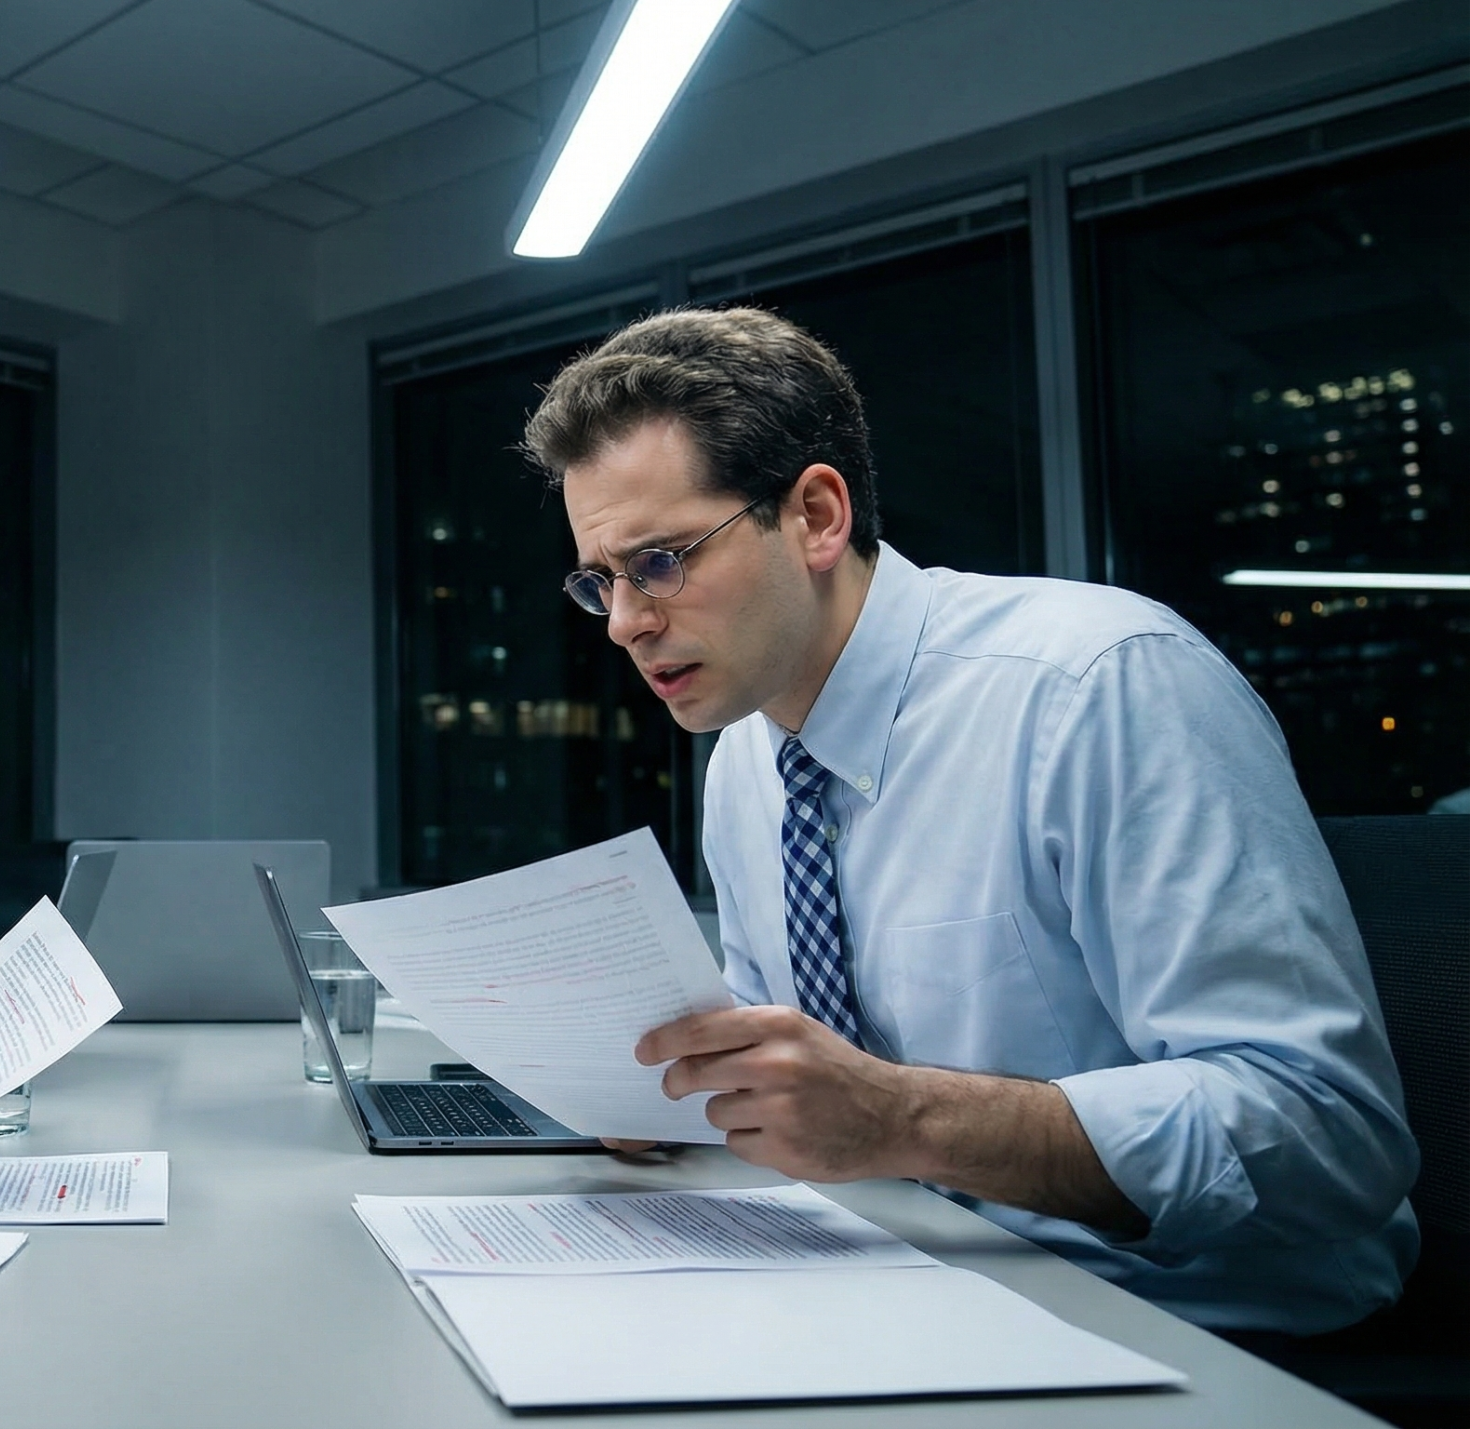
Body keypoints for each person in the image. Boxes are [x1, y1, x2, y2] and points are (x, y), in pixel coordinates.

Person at [524, 306, 1418, 1335]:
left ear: (815, 516)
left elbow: (1328, 1136)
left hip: (1180, 1323)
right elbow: (808, 1082)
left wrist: (904, 1119)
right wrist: (679, 1099)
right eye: (600, 582)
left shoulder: (1094, 686)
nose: (627, 623)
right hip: (894, 1280)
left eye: (661, 562)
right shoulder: (747, 761)